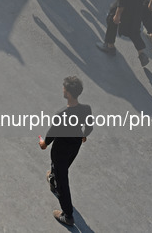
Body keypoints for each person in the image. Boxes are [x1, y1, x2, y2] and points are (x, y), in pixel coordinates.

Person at [39, 76, 93, 227]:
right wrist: (84, 135)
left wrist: (44, 144)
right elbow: (89, 127)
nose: (63, 89)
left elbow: (51, 133)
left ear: (68, 93)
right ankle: (54, 178)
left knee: (63, 180)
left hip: (60, 149)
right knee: (61, 168)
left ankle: (68, 215)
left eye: (64, 88)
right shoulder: (86, 109)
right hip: (74, 146)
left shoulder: (62, 114)